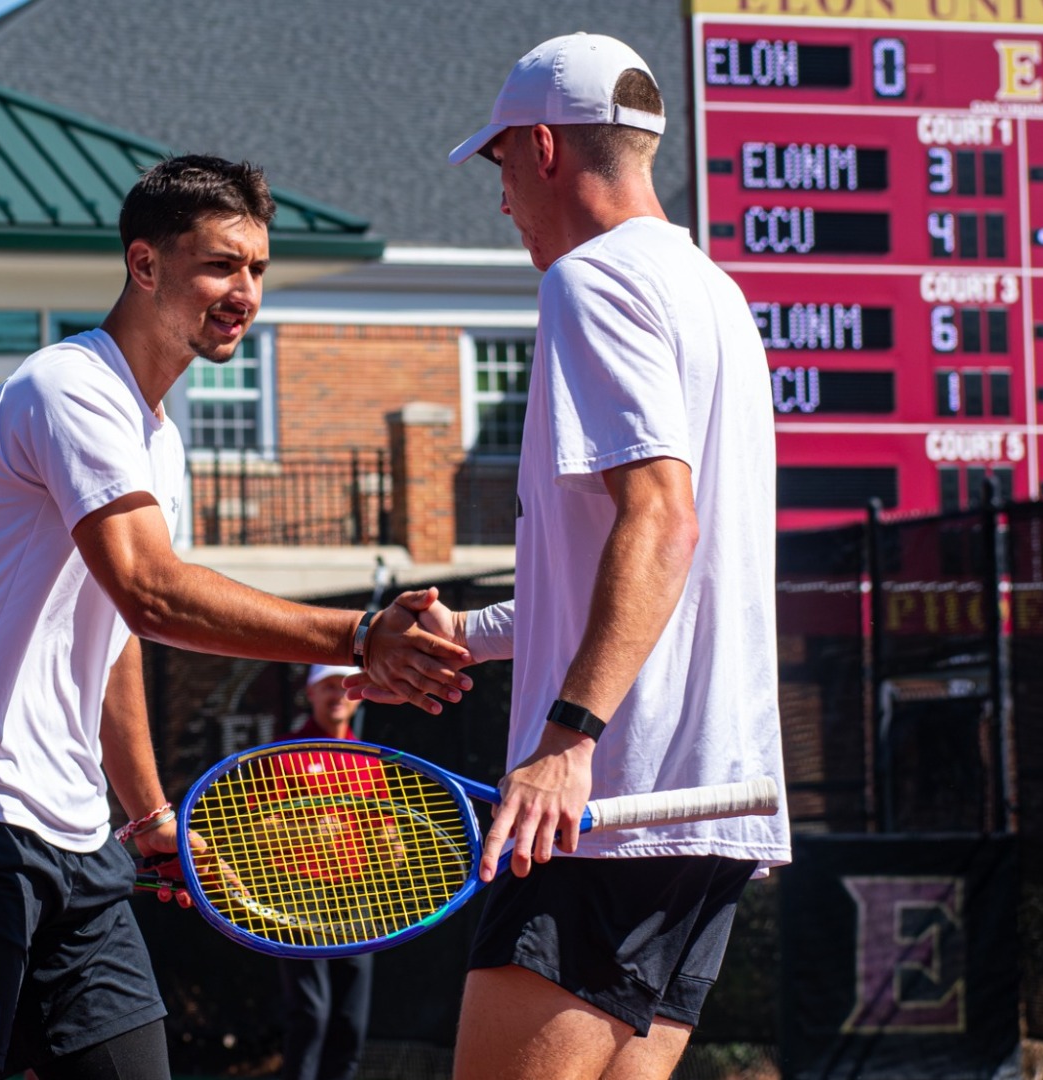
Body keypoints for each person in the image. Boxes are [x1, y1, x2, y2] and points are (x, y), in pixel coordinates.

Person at [0, 154, 475, 1080]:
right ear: (144, 265)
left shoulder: (159, 437)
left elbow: (114, 639)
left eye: (258, 271)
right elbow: (152, 588)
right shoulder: (66, 389)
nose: (245, 294)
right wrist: (356, 634)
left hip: (77, 842)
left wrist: (147, 812)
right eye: (222, 266)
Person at [353, 32, 791, 1080]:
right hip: (709, 807)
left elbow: (662, 524)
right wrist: (472, 634)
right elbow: (644, 570)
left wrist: (566, 739)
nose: (501, 201)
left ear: (542, 149)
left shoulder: (590, 283)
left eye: (500, 167)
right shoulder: (716, 295)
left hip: (603, 805)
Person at [272, 665, 374, 1080]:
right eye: (328, 687)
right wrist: (304, 828)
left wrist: (392, 845)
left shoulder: (369, 759)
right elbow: (259, 829)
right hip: (298, 894)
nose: (337, 696)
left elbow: (382, 833)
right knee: (311, 1014)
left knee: (352, 1021)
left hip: (356, 897)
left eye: (345, 687)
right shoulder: (284, 752)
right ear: (311, 694)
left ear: (360, 696)